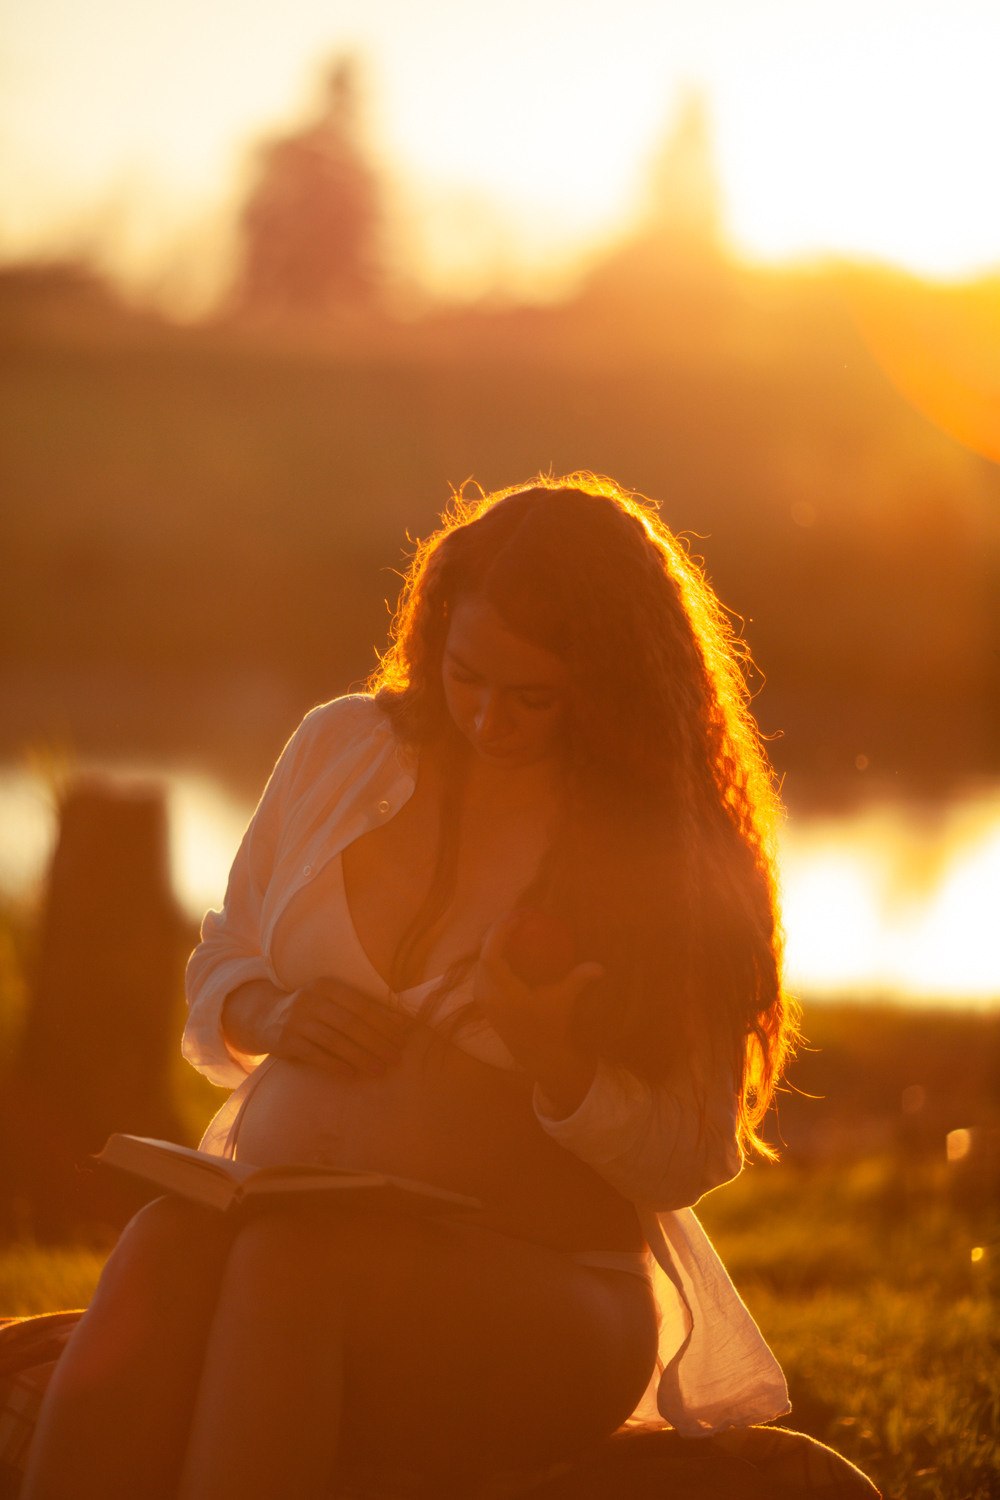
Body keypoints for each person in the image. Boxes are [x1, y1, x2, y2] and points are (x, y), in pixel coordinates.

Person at [23, 474, 798, 1500]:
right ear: (434, 630)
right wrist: (270, 1010)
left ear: (608, 686)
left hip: (544, 1293)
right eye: (465, 673)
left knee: (294, 1266)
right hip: (275, 1233)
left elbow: (688, 1154)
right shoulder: (342, 749)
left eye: (532, 696)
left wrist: (553, 1058)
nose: (486, 718)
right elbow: (224, 955)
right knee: (170, 1235)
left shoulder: (659, 850)